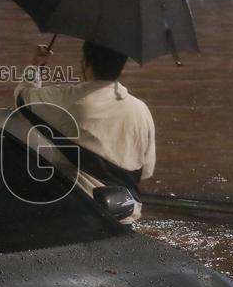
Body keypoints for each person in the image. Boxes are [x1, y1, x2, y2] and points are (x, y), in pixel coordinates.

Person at [14, 40, 155, 203]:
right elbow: (146, 172)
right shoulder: (141, 110)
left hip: (79, 211)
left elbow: (22, 97)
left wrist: (36, 65)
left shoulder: (70, 99)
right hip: (125, 213)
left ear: (85, 63)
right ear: (121, 66)